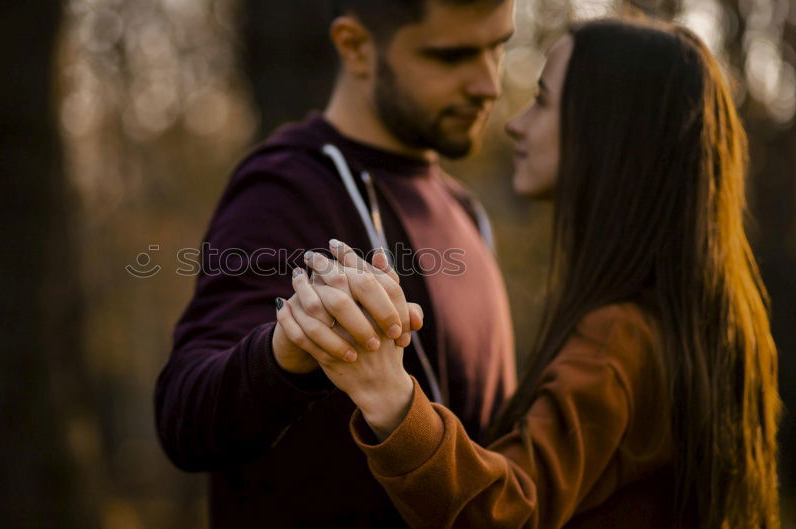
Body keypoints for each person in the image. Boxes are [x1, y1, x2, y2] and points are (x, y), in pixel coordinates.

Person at [276, 18, 781, 529]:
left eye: (541, 100)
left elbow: (508, 513)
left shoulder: (618, 337)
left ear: (603, 129)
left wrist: (388, 393)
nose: (516, 123)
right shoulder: (717, 323)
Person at [154, 0, 516, 526]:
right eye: (451, 56)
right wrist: (284, 354)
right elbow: (183, 417)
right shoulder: (286, 190)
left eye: (497, 48)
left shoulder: (465, 210)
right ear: (355, 46)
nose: (488, 84)